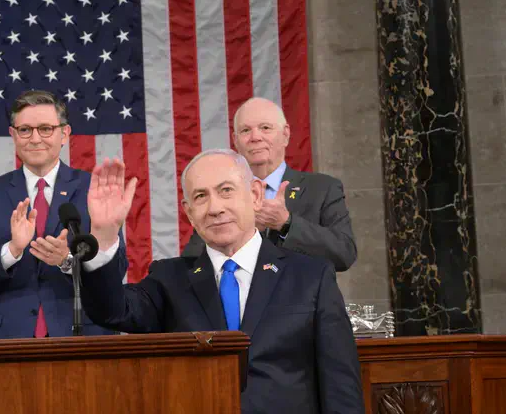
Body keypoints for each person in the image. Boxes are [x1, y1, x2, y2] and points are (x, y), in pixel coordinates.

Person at [80, 150, 364, 414]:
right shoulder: (169, 279)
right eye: (201, 197)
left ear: (254, 195)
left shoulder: (311, 277)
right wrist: (104, 235)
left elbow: (340, 384)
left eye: (226, 190)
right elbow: (112, 310)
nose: (215, 208)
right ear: (189, 213)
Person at [0, 90, 128, 339]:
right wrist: (12, 250)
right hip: (7, 339)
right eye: (25, 129)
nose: (35, 138)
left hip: (82, 333)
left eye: (46, 128)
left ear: (64, 134)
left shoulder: (93, 189)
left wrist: (67, 261)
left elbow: (116, 271)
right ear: (13, 135)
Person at [182, 97, 357, 272]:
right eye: (245, 130)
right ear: (235, 140)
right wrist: (240, 230)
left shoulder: (322, 188)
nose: (255, 137)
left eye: (265, 128)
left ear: (285, 134)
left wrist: (287, 223)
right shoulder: (219, 195)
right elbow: (191, 263)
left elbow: (344, 254)